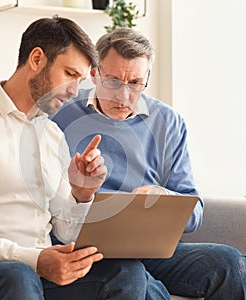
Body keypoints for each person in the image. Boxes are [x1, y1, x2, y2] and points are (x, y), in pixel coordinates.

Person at [0, 17, 163, 300]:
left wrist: (82, 194)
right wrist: (33, 260)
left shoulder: (52, 135)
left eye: (81, 80)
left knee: (125, 272)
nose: (75, 91)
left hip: (37, 271)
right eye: (70, 74)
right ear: (37, 59)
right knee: (18, 275)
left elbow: (65, 229)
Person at [51, 27, 246, 299]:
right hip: (87, 251)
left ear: (146, 80)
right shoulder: (60, 118)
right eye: (113, 81)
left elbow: (194, 211)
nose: (123, 95)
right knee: (133, 277)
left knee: (229, 262)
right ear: (94, 74)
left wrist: (162, 197)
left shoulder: (169, 122)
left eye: (134, 83)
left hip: (153, 250)